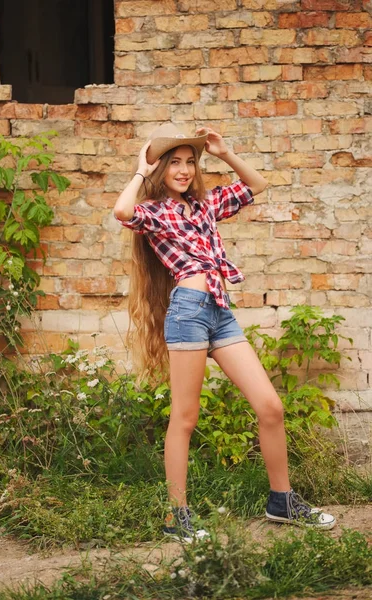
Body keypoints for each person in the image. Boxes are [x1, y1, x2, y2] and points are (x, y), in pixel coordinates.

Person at [113, 123, 336, 542]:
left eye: (189, 162)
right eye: (173, 163)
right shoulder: (156, 212)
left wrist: (226, 153)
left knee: (270, 406)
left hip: (220, 312)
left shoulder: (205, 206)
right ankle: (175, 516)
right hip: (188, 313)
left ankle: (281, 500)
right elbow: (123, 212)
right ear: (160, 169)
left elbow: (258, 184)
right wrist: (140, 172)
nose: (183, 170)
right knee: (185, 416)